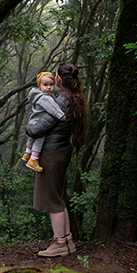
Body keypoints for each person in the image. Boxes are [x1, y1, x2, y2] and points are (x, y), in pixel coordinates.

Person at [25, 62, 87, 257]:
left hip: (52, 153)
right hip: (62, 149)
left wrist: (29, 126)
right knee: (58, 197)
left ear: (59, 79)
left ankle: (60, 243)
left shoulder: (59, 102)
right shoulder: (73, 98)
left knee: (53, 200)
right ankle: (67, 239)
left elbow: (36, 129)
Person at [23, 72, 66, 172]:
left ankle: (27, 152)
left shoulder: (37, 95)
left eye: (51, 84)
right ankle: (33, 159)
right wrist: (61, 116)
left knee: (33, 137)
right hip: (39, 122)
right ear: (39, 85)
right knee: (40, 138)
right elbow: (53, 108)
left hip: (33, 121)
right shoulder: (45, 98)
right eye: (45, 85)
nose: (49, 87)